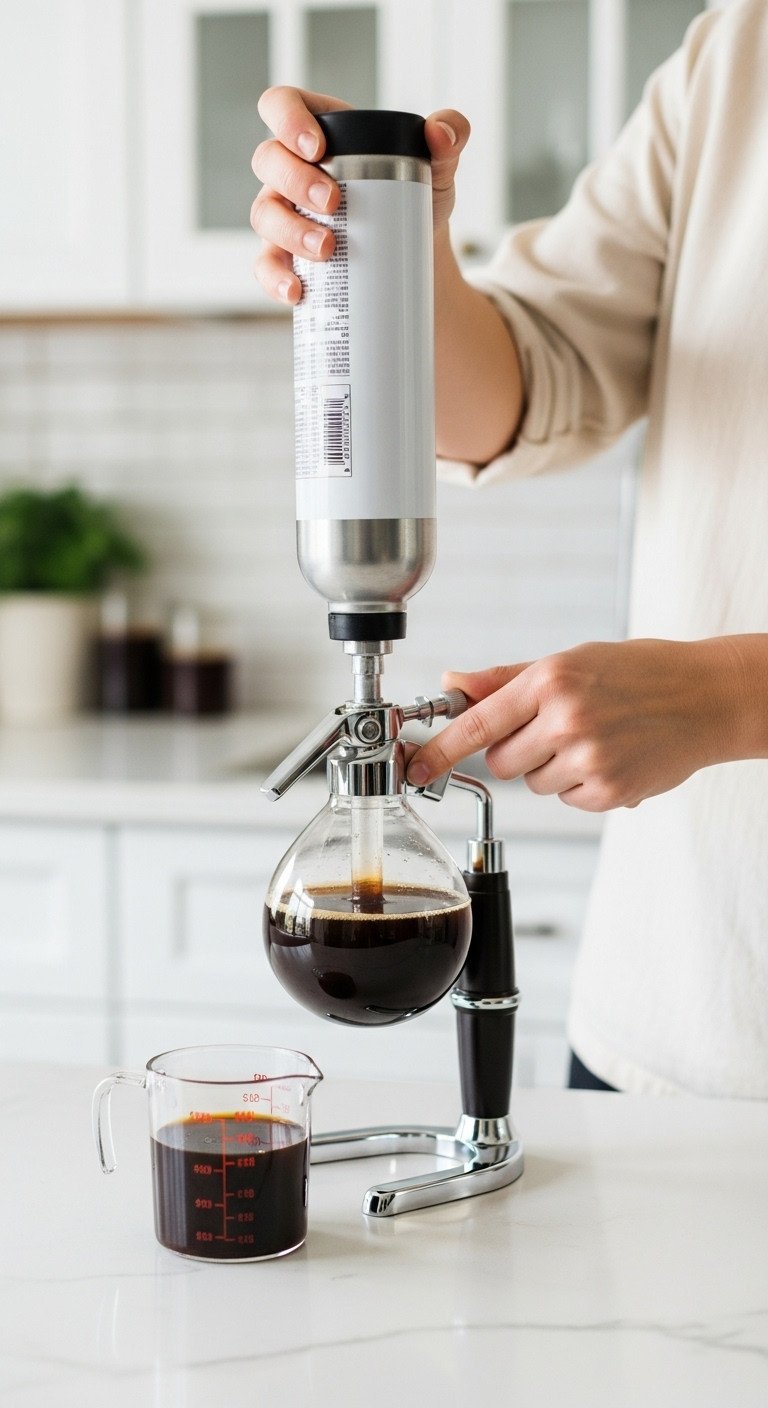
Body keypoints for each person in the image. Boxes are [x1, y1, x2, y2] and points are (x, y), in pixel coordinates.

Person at [250, 0, 768, 1099]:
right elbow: (532, 378)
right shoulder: (741, 51)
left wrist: (735, 697)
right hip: (670, 1019)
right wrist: (391, 233)